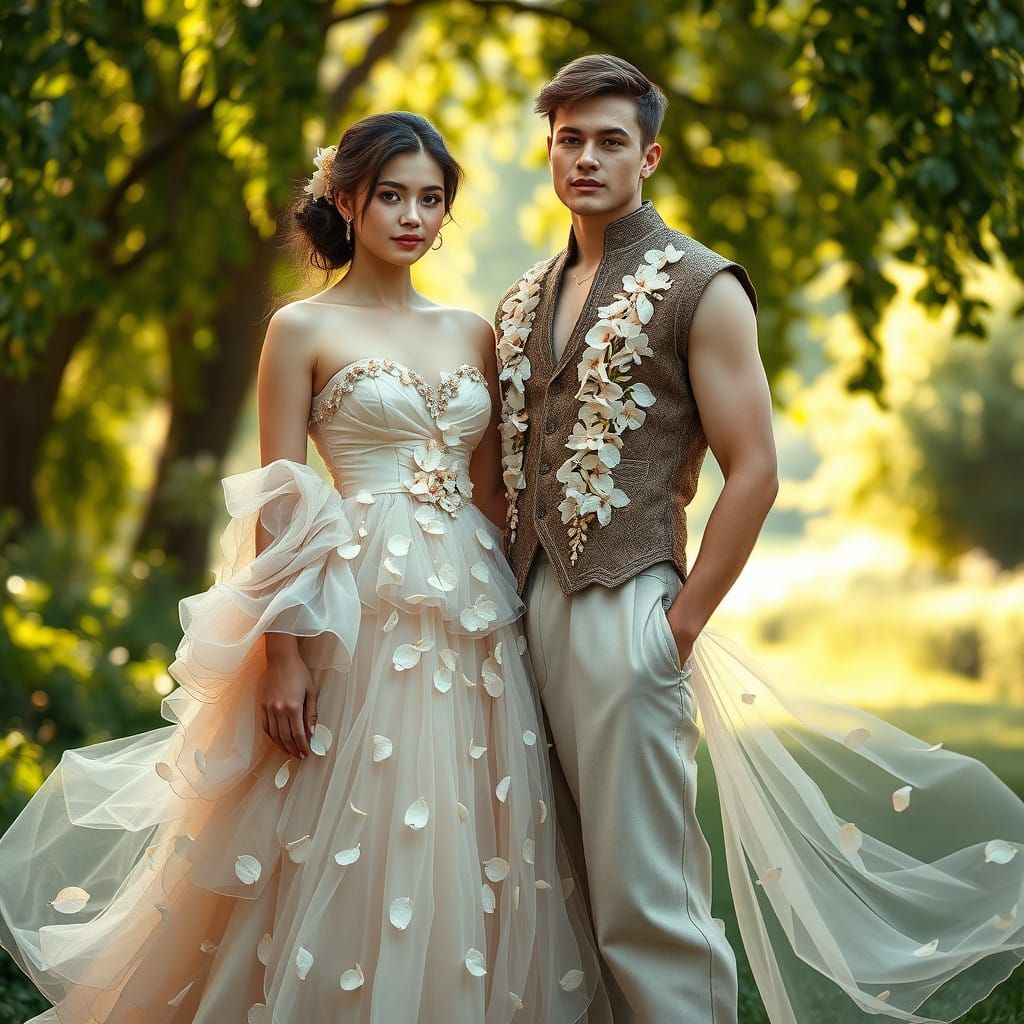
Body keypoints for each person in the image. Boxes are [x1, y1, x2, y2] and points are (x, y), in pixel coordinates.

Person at [0, 111, 611, 1024]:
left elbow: (491, 494)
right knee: (341, 821)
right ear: (347, 200)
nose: (413, 216)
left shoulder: (471, 331)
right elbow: (279, 501)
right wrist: (281, 652)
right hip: (350, 604)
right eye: (391, 196)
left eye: (431, 199)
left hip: (471, 611)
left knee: (463, 821)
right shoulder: (299, 328)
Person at [495, 54, 1024, 1024]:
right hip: (521, 614)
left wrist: (678, 627)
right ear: (548, 150)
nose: (585, 156)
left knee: (643, 898)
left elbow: (757, 470)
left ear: (648, 155)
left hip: (627, 609)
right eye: (569, 138)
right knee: (553, 884)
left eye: (610, 139)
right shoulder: (522, 296)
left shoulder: (703, 284)